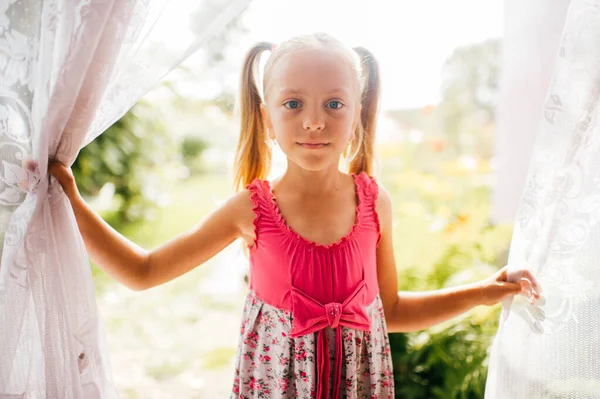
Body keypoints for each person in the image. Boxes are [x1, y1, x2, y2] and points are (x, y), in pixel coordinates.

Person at [49, 32, 540, 399]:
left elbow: (389, 310)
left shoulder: (374, 202)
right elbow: (144, 271)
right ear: (266, 117)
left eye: (333, 103)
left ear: (357, 114)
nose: (313, 120)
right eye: (292, 103)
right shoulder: (252, 209)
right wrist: (71, 200)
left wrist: (483, 291)